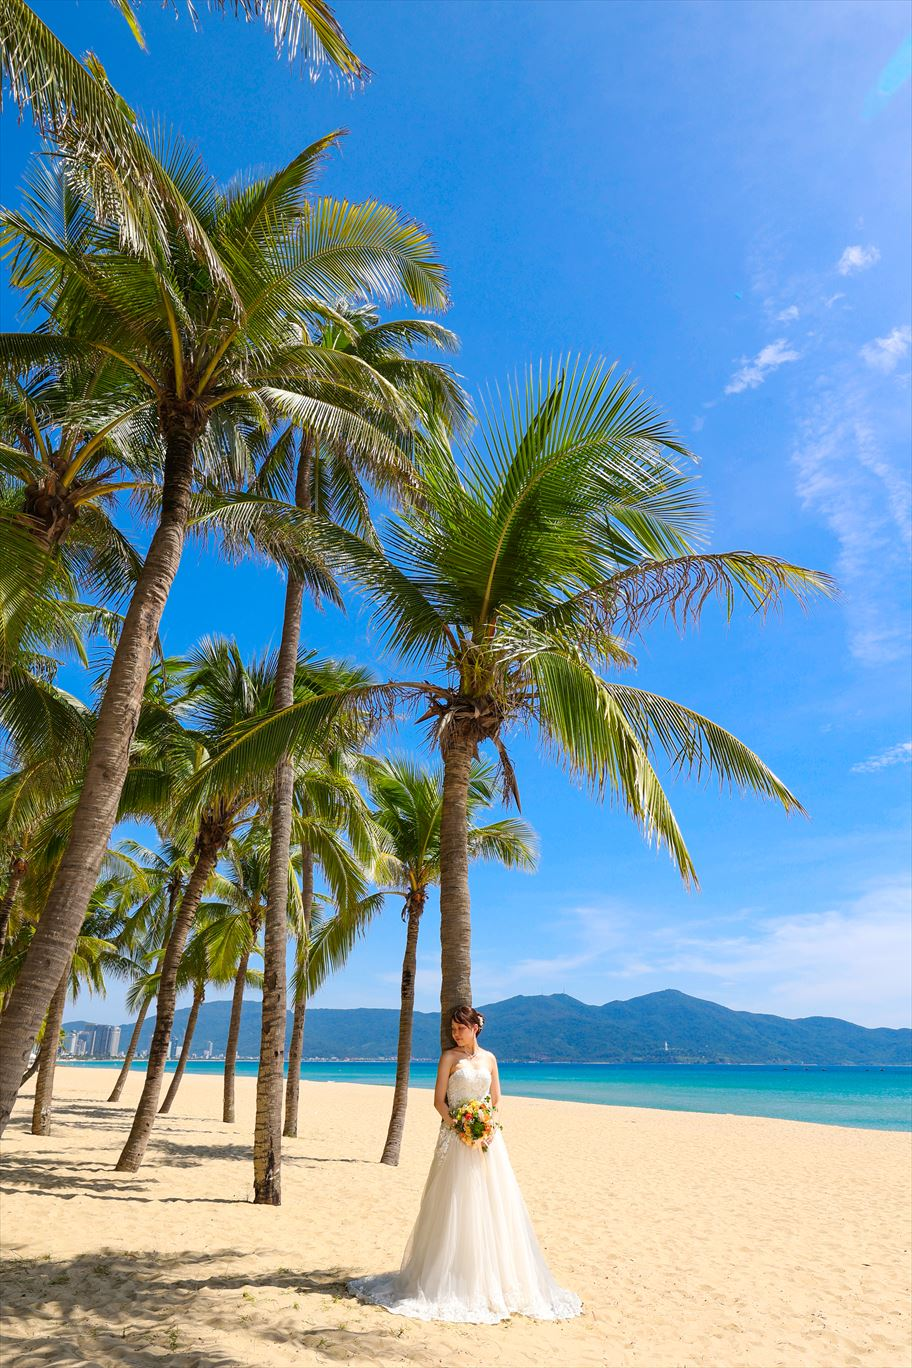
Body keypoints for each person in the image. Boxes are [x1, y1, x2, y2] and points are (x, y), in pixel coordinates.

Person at [348, 1004, 583, 1324]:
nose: (455, 1034)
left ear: (475, 1028)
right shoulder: (449, 1058)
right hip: (455, 1137)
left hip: (487, 1141)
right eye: (452, 1029)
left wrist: (486, 1126)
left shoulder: (490, 1059)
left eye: (460, 1028)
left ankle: (493, 1278)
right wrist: (460, 1127)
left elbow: (496, 1099)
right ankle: (451, 1277)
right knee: (454, 1203)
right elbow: (438, 1101)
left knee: (492, 1203)